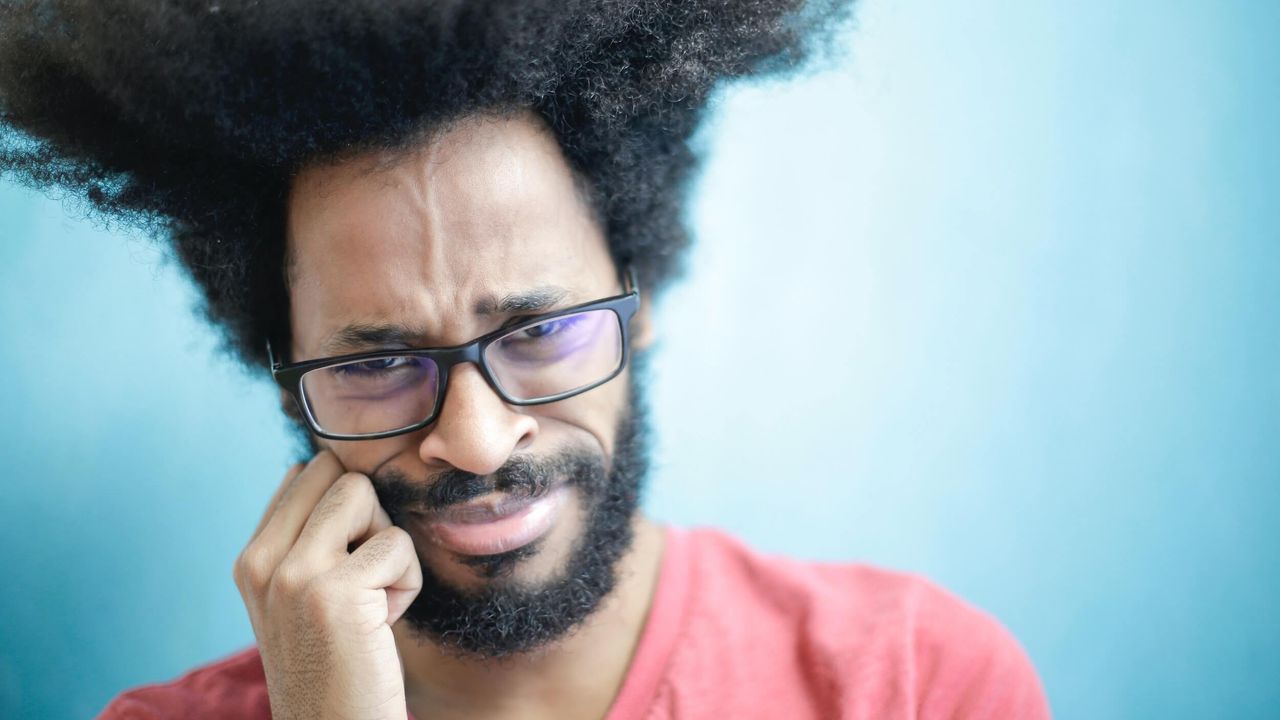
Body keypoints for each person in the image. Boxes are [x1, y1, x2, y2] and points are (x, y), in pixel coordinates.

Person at [0, 1, 1051, 718]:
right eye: (377, 363)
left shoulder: (914, 683)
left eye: (539, 332)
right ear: (288, 377)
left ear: (636, 306)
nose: (473, 436)